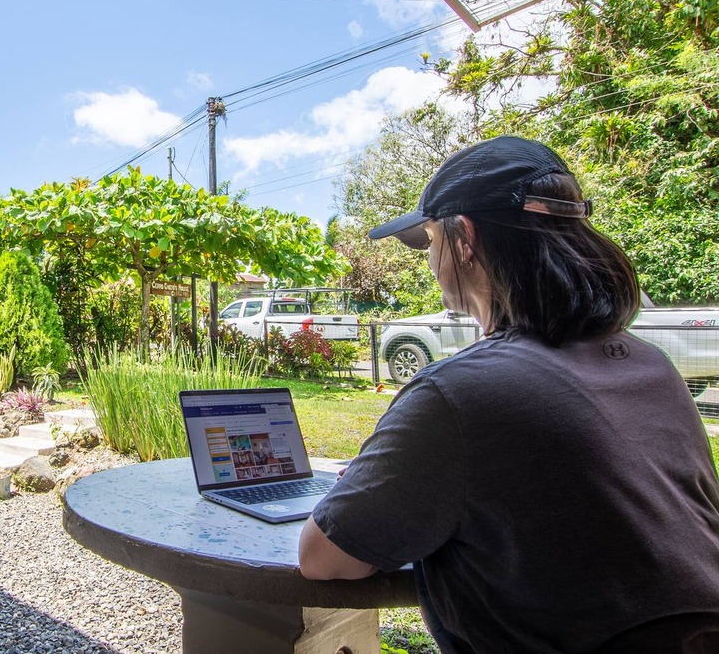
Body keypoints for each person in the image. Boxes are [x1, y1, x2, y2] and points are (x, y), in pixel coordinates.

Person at [297, 136, 719, 652]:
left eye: (430, 241)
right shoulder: (651, 365)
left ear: (465, 240)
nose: (431, 261)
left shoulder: (457, 393)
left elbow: (323, 558)